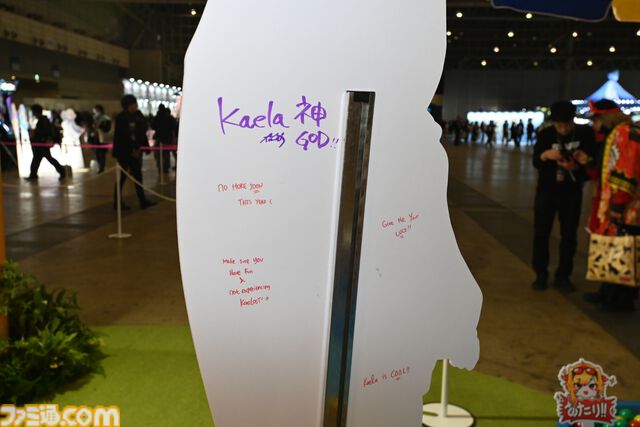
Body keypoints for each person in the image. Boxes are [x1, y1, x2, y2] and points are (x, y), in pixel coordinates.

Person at [575, 99, 639, 311]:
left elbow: (627, 169)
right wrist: (588, 162)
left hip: (625, 207)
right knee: (613, 247)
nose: (594, 125)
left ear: (605, 117)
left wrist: (618, 205)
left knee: (622, 249)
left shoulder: (625, 133)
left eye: (596, 120)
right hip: (613, 203)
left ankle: (620, 298)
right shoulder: (617, 133)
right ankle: (608, 292)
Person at [531, 101, 595, 292]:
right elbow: (536, 161)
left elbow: (592, 165)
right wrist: (545, 155)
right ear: (553, 122)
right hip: (546, 192)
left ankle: (563, 276)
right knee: (541, 233)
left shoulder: (585, 133)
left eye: (567, 124)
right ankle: (540, 274)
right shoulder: (545, 134)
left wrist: (576, 166)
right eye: (559, 125)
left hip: (571, 193)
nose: (564, 129)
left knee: (569, 235)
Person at [112, 94, 156, 210]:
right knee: (122, 177)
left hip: (136, 151)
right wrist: (131, 150)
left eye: (135, 104)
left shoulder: (137, 115)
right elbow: (122, 137)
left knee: (138, 177)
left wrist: (144, 148)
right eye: (133, 104)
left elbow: (142, 131)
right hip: (125, 153)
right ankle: (117, 202)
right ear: (127, 105)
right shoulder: (121, 118)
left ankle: (142, 201)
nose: (135, 106)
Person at [26, 104, 66, 181]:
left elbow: (44, 132)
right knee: (40, 159)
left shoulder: (42, 121)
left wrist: (35, 135)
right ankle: (33, 174)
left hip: (42, 144)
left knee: (42, 159)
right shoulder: (43, 120)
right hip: (42, 144)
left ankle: (62, 171)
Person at [151, 104, 177, 174]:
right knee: (166, 154)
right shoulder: (168, 117)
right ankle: (166, 167)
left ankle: (160, 167)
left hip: (159, 138)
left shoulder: (157, 117)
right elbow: (174, 125)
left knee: (159, 154)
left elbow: (152, 126)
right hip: (167, 138)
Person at [92, 105, 111, 174]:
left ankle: (101, 167)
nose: (95, 112)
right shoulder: (94, 118)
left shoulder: (106, 119)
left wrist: (100, 125)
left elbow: (107, 129)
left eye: (96, 111)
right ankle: (100, 166)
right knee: (96, 153)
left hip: (103, 138)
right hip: (96, 138)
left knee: (102, 154)